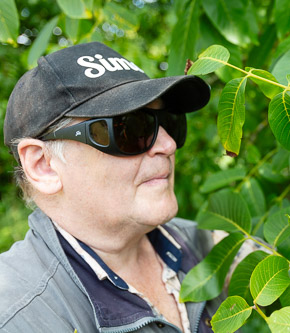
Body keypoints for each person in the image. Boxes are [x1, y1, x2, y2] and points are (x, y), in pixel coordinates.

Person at [0, 42, 217, 332]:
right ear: (43, 165)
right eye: (130, 128)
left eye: (169, 122)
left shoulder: (199, 244)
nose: (168, 144)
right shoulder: (19, 315)